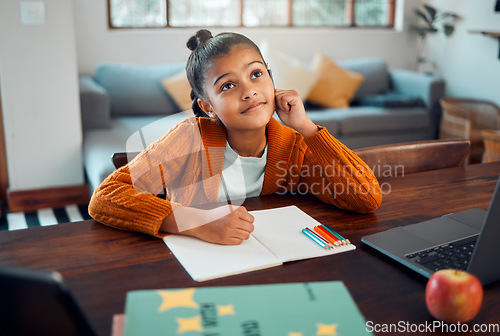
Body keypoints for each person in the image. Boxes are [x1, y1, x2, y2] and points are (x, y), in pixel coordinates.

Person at [89, 29, 382, 245]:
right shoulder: (190, 139)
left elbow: (366, 198)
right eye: (228, 85)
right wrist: (196, 221)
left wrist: (307, 128)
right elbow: (106, 197)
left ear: (271, 80)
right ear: (208, 107)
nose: (249, 91)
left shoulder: (294, 146)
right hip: (194, 263)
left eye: (256, 74)